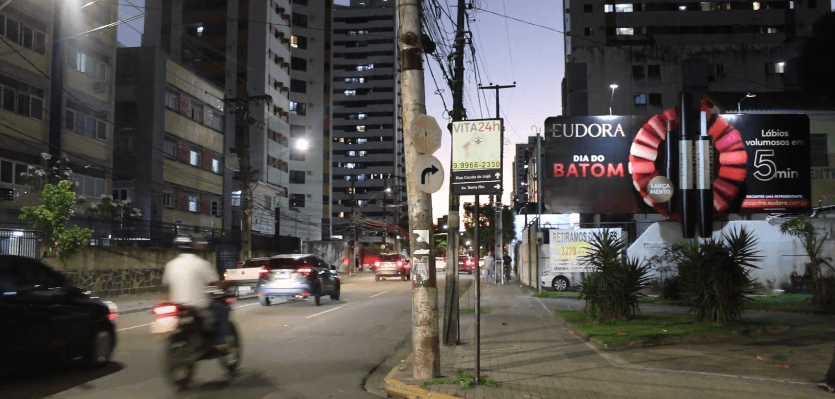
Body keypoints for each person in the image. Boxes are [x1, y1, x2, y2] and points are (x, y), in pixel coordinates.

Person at [163, 236, 233, 354]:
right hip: (198, 304)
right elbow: (215, 282)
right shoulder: (201, 263)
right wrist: (228, 284)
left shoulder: (170, 264)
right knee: (221, 310)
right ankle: (220, 342)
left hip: (176, 305)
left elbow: (166, 282)